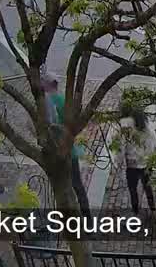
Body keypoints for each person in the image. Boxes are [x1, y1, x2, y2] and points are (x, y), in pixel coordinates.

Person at [45, 75, 91, 215]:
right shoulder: (62, 100)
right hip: (68, 149)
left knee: (70, 185)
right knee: (76, 185)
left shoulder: (50, 102)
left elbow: (54, 125)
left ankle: (80, 217)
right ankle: (85, 216)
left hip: (63, 150)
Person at [116, 107, 156, 214]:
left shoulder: (126, 127)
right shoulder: (148, 126)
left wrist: (119, 161)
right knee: (147, 186)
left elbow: (122, 147)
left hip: (132, 165)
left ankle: (135, 212)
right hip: (146, 163)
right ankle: (152, 208)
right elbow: (155, 145)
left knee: (133, 189)